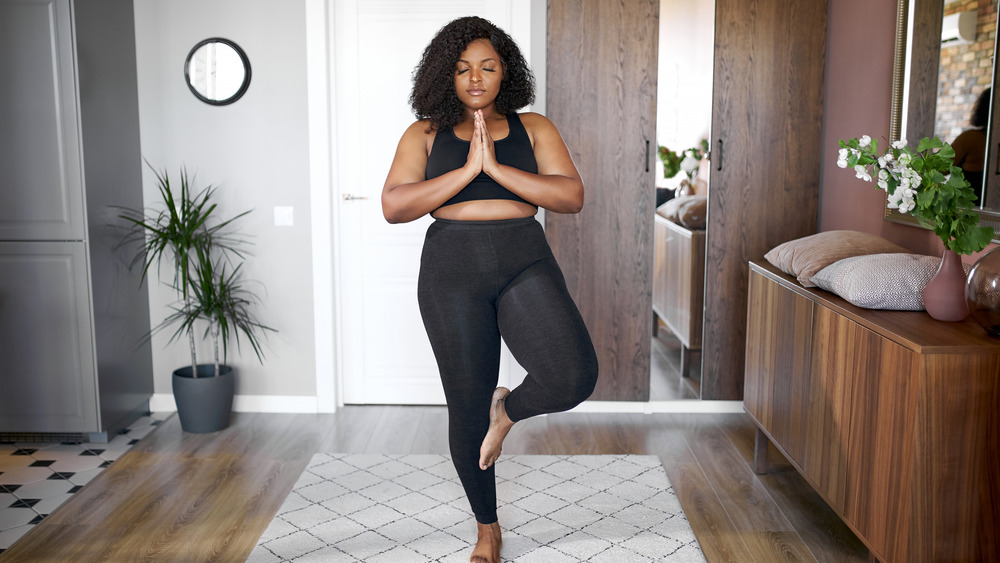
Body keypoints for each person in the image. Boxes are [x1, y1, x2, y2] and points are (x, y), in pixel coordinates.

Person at [381, 16, 599, 563]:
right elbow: (394, 206)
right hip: (451, 265)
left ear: (506, 72)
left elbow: (569, 196)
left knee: (573, 375)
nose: (475, 77)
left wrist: (496, 167)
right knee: (466, 407)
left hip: (522, 254)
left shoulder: (534, 127)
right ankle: (487, 530)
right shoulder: (424, 133)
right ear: (444, 75)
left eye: (488, 66)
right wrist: (467, 170)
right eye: (462, 68)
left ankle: (510, 412)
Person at [951, 87, 990, 204]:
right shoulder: (972, 139)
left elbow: (938, 170)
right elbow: (939, 170)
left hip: (967, 214)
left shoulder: (971, 138)